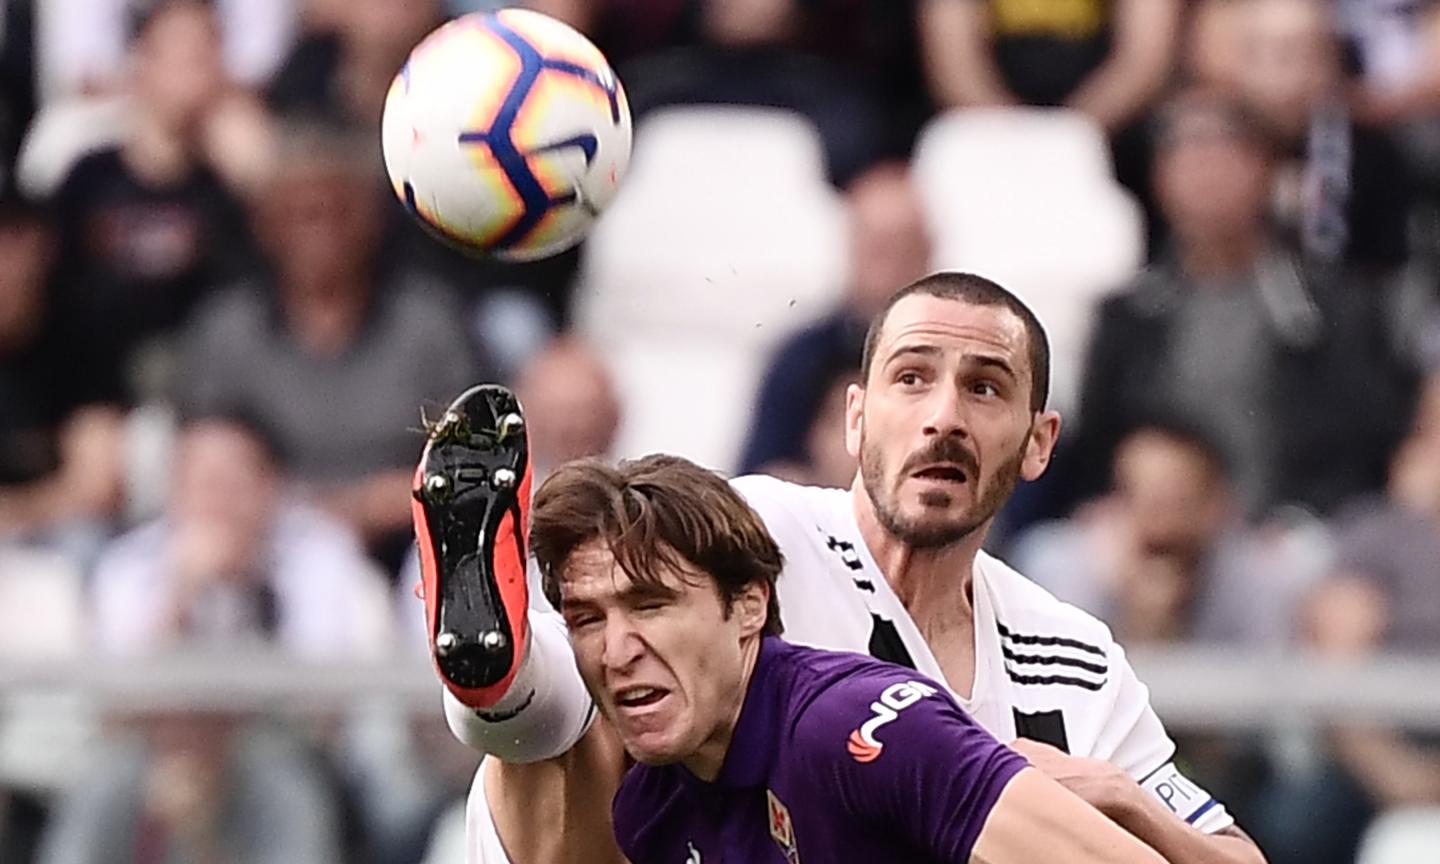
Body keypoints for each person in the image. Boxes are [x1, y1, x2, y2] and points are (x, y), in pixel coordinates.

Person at [412, 272, 1268, 863]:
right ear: (856, 419)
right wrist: (519, 675)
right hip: (580, 837)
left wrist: (1120, 795)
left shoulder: (1073, 656)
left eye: (985, 388)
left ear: (1039, 442)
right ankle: (499, 675)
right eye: (911, 379)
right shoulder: (761, 530)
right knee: (612, 659)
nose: (942, 418)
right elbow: (605, 640)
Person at [520, 453, 1165, 862]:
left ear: (748, 607)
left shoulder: (862, 730)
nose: (617, 649)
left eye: (652, 606)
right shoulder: (653, 808)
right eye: (586, 619)